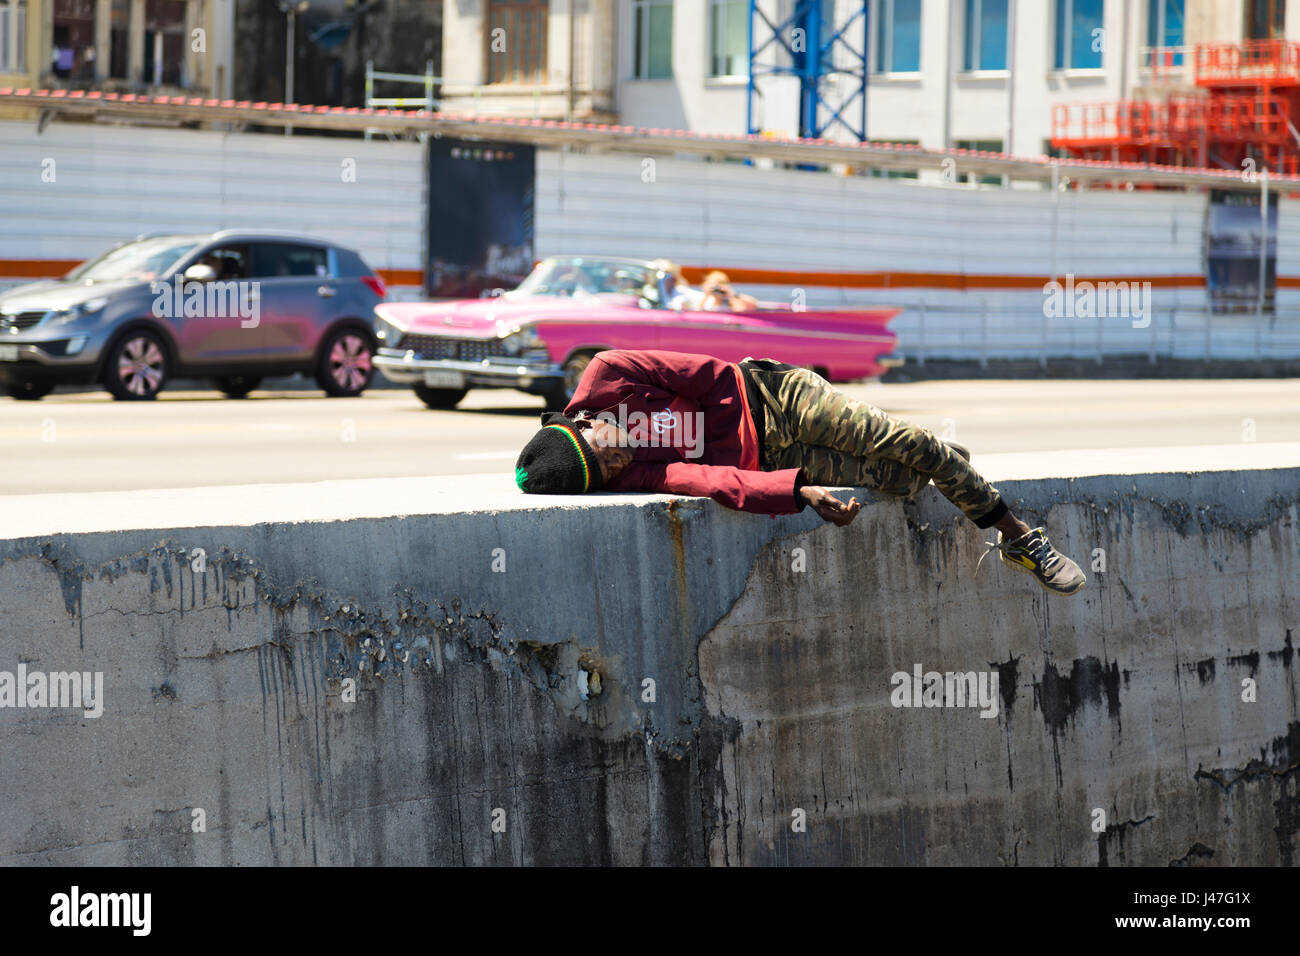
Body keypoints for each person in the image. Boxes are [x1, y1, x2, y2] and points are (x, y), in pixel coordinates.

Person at [515, 350, 1086, 595]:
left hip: (773, 398)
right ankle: (937, 459)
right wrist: (799, 490)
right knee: (903, 477)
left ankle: (1020, 539)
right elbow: (707, 482)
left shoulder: (610, 372)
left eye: (607, 450)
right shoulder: (615, 474)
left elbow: (713, 377)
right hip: (772, 460)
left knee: (910, 443)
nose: (622, 460)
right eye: (609, 471)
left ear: (584, 421)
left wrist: (744, 433)